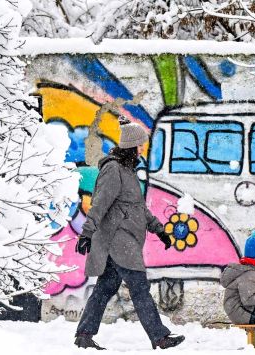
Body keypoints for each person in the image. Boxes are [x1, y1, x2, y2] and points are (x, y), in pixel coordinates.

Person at [73, 121, 184, 350]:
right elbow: (99, 204)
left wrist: (159, 230)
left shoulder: (128, 170)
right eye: (140, 145)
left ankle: (84, 334)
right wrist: (87, 233)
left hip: (124, 241)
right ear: (132, 146)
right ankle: (159, 337)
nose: (143, 149)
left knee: (104, 289)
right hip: (118, 240)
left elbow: (138, 208)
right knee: (139, 288)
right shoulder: (113, 169)